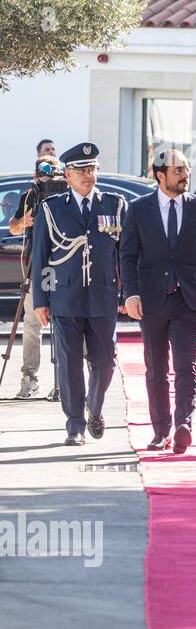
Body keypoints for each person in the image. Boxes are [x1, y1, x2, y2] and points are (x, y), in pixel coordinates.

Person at [120, 148, 196, 453]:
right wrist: (131, 293)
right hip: (151, 301)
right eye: (179, 170)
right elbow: (126, 254)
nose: (185, 175)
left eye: (187, 170)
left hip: (189, 300)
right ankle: (161, 430)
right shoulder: (138, 209)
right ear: (159, 175)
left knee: (185, 365)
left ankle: (183, 425)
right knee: (156, 369)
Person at [29, 142, 128, 446]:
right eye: (82, 171)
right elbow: (42, 256)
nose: (88, 175)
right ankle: (75, 424)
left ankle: (95, 408)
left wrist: (127, 294)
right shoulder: (52, 208)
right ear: (67, 175)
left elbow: (125, 255)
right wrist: (41, 300)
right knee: (70, 362)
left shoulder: (114, 204)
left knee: (106, 360)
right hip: (65, 297)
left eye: (92, 169)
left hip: (104, 296)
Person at [8, 141, 59, 399]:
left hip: (61, 267)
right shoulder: (29, 197)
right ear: (35, 176)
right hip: (33, 266)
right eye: (42, 173)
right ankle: (30, 379)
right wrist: (24, 221)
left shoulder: (64, 195)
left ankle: (62, 382)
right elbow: (13, 227)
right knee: (31, 323)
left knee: (62, 322)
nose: (46, 178)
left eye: (51, 173)